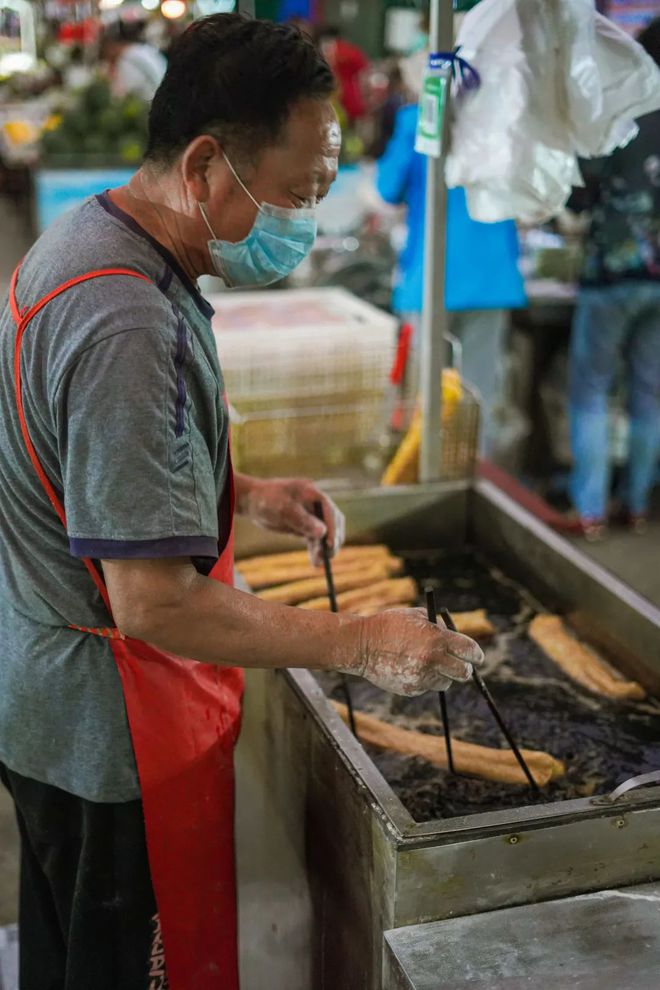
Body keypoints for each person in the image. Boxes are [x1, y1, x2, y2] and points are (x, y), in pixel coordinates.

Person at [0, 14, 483, 989]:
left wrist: (242, 493)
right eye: (300, 192)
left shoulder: (99, 234)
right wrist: (361, 640)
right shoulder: (124, 322)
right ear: (208, 164)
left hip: (42, 688)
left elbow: (74, 450)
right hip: (107, 734)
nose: (308, 217)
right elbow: (156, 603)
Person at [376, 56, 526, 458]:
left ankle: (432, 479)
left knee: (429, 397)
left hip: (433, 278)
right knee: (479, 397)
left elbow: (387, 188)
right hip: (491, 276)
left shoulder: (417, 120)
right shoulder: (498, 123)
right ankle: (478, 482)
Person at [564, 18, 660, 540]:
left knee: (592, 391)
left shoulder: (627, 112)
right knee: (649, 391)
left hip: (613, 272)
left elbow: (580, 189)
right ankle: (638, 502)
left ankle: (590, 509)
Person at [101, 18, 167, 103]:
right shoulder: (144, 50)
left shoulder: (128, 59)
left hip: (152, 106)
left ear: (112, 45)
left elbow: (123, 95)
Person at [317, 24, 369, 122]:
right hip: (351, 97)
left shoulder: (323, 50)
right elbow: (364, 77)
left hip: (331, 96)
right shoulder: (353, 51)